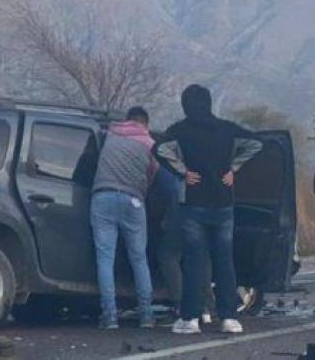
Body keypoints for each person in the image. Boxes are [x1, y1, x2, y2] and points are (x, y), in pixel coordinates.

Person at [154, 84, 262, 335]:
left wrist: (182, 171)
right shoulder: (226, 129)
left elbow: (158, 149)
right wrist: (233, 168)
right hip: (223, 203)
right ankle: (229, 318)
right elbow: (256, 143)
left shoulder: (180, 130)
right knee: (225, 262)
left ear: (185, 104)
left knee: (194, 262)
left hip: (194, 203)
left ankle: (190, 318)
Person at [90, 106, 159, 330]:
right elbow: (152, 176)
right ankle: (146, 315)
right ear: (145, 124)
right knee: (139, 258)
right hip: (133, 201)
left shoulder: (109, 134)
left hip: (102, 197)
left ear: (128, 120)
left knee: (105, 258)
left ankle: (109, 316)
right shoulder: (150, 145)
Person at [150, 166, 216, 323]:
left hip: (180, 217)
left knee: (168, 256)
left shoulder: (167, 169)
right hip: (205, 217)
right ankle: (207, 306)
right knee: (201, 258)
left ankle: (181, 304)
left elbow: (157, 198)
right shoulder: (204, 164)